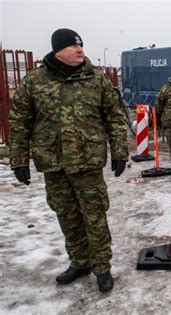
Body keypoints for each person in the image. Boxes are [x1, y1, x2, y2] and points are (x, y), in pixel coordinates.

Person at [8, 28, 129, 293]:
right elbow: (19, 123)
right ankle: (80, 262)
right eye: (74, 46)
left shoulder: (96, 79)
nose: (80, 50)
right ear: (58, 50)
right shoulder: (34, 82)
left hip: (87, 161)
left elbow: (115, 118)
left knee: (95, 216)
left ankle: (102, 268)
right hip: (53, 163)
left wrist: (120, 151)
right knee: (67, 216)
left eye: (81, 45)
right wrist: (18, 160)